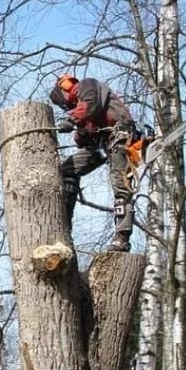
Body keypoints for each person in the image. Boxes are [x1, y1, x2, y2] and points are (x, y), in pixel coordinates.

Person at [48, 73, 137, 252]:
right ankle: (65, 224)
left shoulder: (88, 86)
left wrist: (72, 120)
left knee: (120, 183)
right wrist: (80, 130)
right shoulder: (83, 109)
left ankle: (122, 236)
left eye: (63, 102)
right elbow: (84, 141)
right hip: (102, 143)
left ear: (64, 90)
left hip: (120, 135)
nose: (66, 106)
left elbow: (91, 105)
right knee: (66, 169)